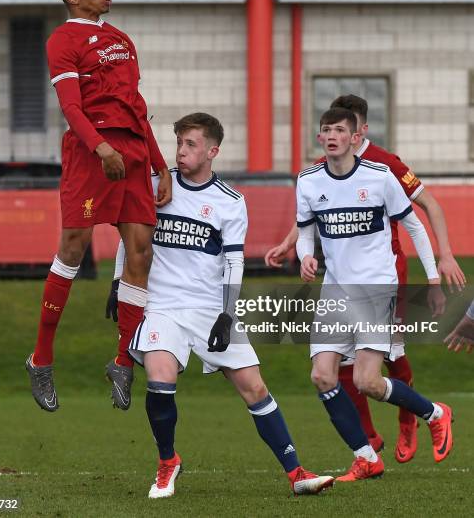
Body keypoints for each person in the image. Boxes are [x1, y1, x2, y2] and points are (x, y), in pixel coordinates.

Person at [108, 113, 334, 498]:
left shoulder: (230, 202)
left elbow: (233, 262)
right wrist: (119, 282)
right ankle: (167, 464)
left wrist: (228, 314)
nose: (180, 151)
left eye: (190, 144)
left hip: (211, 307)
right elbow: (132, 239)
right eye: (178, 143)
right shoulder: (155, 186)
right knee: (160, 380)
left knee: (255, 388)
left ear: (212, 151)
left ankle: (296, 473)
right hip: (161, 305)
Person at [265, 94, 464, 462]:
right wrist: (303, 253)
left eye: (341, 129)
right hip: (335, 290)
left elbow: (417, 222)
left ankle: (429, 414)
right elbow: (308, 224)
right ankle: (367, 454)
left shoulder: (382, 172)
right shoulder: (309, 177)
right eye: (326, 130)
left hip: (377, 286)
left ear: (358, 134)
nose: (333, 136)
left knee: (369, 379)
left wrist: (436, 273)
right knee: (323, 376)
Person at [25, 0, 172, 413]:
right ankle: (41, 359)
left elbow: (137, 107)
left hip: (132, 152)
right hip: (93, 151)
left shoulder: (122, 40)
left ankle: (123, 359)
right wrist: (101, 148)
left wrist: (161, 164)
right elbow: (71, 107)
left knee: (141, 250)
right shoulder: (62, 41)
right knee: (73, 248)